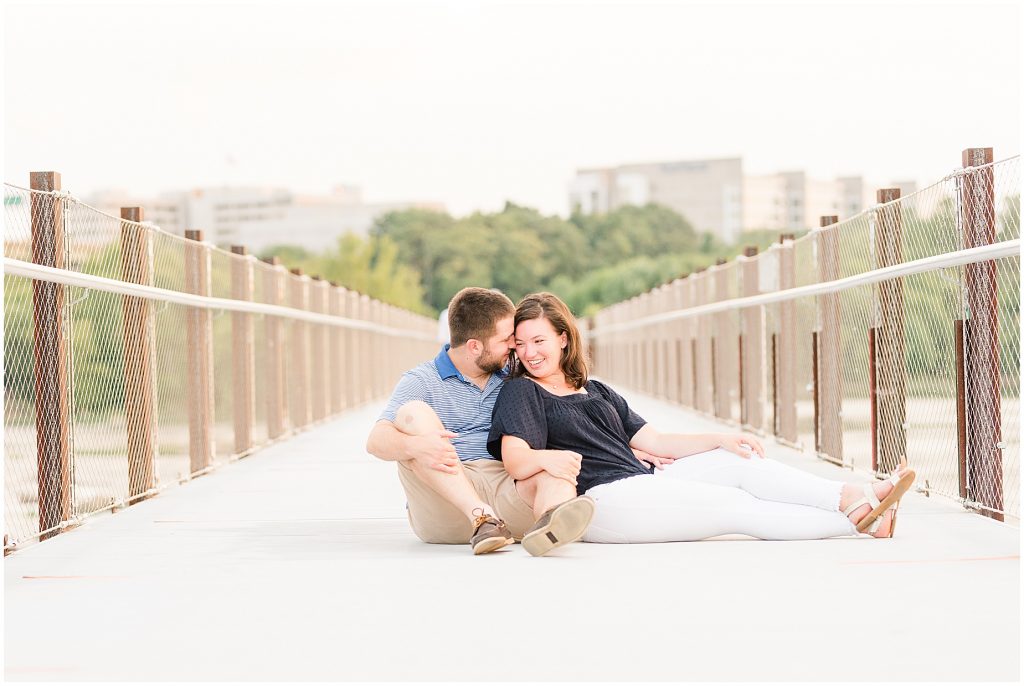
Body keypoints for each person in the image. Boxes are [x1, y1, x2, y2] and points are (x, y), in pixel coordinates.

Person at [487, 292, 917, 544]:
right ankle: (858, 522)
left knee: (741, 464)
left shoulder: (595, 390)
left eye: (539, 340)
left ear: (563, 339)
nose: (530, 352)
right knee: (735, 507)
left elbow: (656, 441)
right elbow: (516, 461)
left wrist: (719, 438)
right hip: (605, 502)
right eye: (521, 345)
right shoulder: (522, 391)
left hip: (646, 481)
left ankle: (854, 497)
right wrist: (551, 460)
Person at [365, 287, 595, 556]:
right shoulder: (422, 380)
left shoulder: (514, 374)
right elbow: (375, 441)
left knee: (556, 473)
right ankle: (482, 517)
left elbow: (568, 401)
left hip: (507, 491)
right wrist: (416, 447)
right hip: (447, 498)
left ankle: (548, 528)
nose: (515, 346)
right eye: (507, 339)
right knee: (412, 414)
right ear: (475, 346)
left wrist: (624, 441)